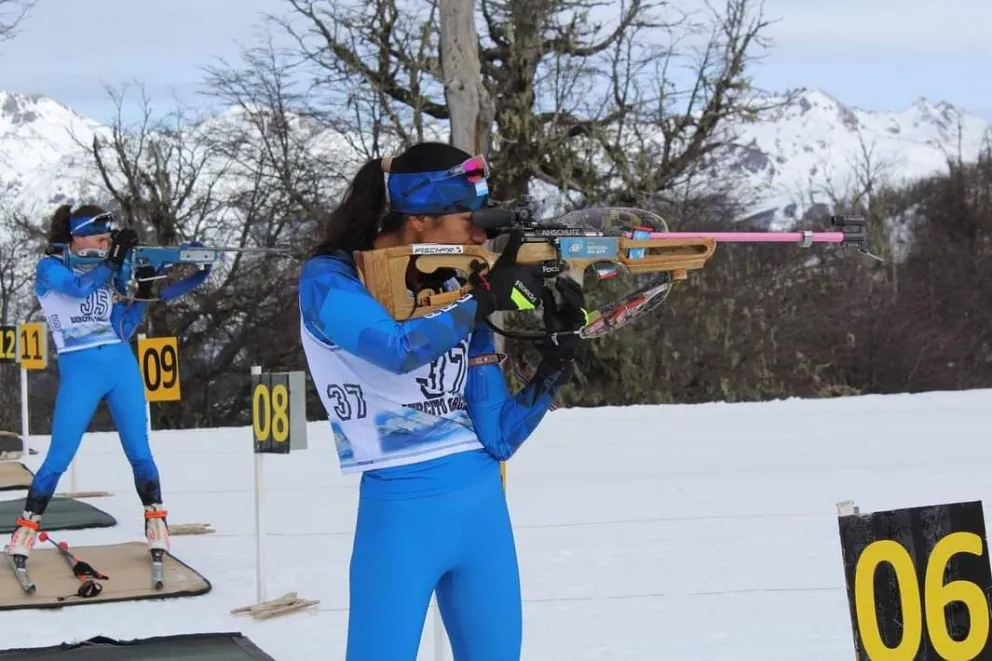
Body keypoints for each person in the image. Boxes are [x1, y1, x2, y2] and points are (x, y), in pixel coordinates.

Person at [298, 142, 587, 661]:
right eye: (469, 219)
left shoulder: (456, 281)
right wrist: (482, 298)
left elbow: (497, 435)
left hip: (482, 506)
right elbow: (398, 350)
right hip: (401, 510)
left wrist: (557, 357)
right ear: (419, 222)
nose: (481, 234)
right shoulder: (328, 280)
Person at [5, 204, 212, 566]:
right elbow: (79, 288)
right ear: (76, 236)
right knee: (59, 455)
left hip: (119, 363)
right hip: (80, 368)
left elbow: (123, 324)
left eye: (108, 241)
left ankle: (156, 522)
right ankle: (25, 530)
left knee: (139, 450)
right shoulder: (50, 267)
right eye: (99, 239)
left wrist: (149, 282)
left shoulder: (110, 268)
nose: (104, 245)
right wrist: (114, 261)